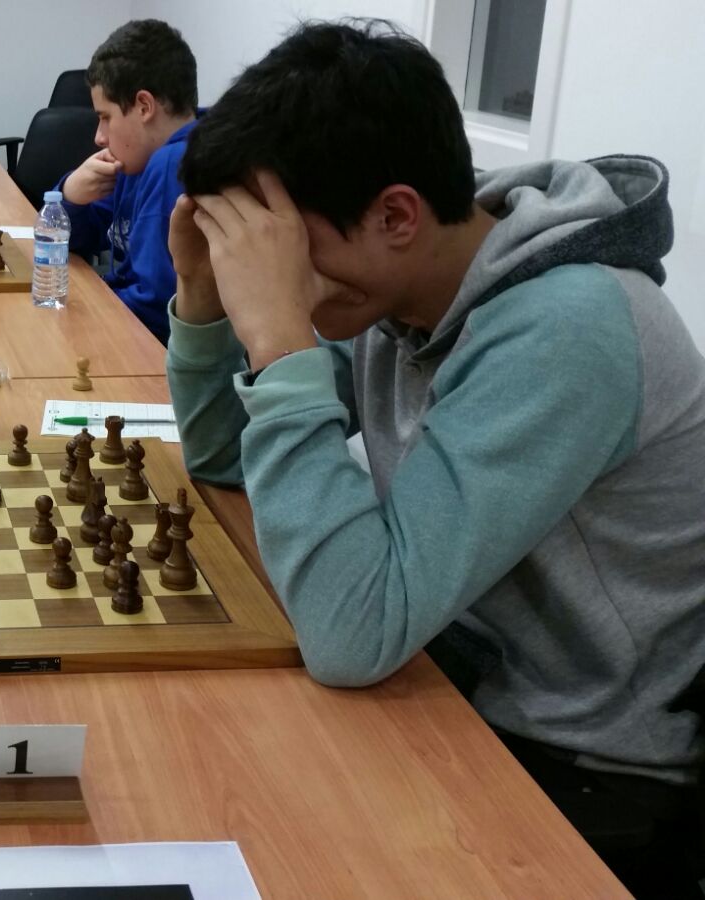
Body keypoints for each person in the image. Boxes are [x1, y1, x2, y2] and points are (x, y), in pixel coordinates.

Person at [167, 20, 705, 895]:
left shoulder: (566, 328)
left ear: (395, 215)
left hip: (589, 771)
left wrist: (278, 340)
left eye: (287, 249)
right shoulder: (400, 288)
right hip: (446, 671)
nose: (276, 277)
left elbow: (352, 633)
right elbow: (226, 457)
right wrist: (200, 298)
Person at [56, 19, 200, 344]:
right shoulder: (139, 160)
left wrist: (80, 308)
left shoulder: (172, 165)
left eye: (105, 117)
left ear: (144, 106)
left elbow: (155, 305)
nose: (99, 137)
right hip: (131, 330)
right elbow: (69, 239)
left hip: (150, 351)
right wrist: (71, 196)